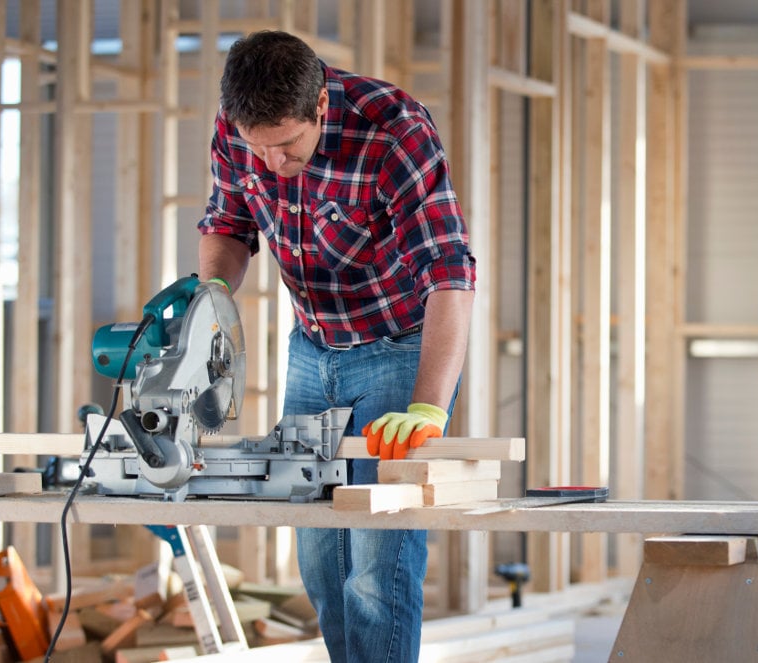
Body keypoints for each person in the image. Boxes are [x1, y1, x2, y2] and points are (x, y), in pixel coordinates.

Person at [196, 30, 476, 662]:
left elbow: (449, 271)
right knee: (321, 557)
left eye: (288, 146)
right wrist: (211, 293)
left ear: (322, 104)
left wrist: (428, 405)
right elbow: (228, 224)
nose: (271, 163)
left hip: (399, 348)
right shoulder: (241, 127)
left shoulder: (393, 127)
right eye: (257, 148)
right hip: (311, 348)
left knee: (378, 563)